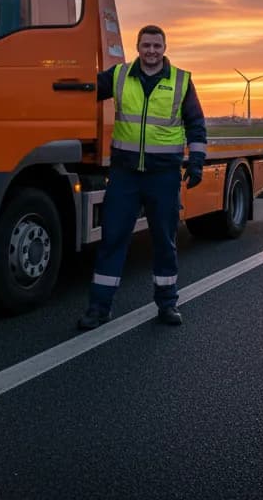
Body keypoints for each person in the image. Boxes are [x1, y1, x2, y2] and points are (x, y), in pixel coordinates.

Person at [77, 24, 207, 330]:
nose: (151, 51)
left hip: (163, 176)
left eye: (156, 46)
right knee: (112, 240)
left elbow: (196, 124)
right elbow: (87, 89)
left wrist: (197, 161)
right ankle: (99, 308)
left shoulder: (181, 81)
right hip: (125, 175)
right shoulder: (120, 76)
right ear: (138, 47)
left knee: (164, 241)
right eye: (146, 46)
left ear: (164, 48)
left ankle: (167, 304)